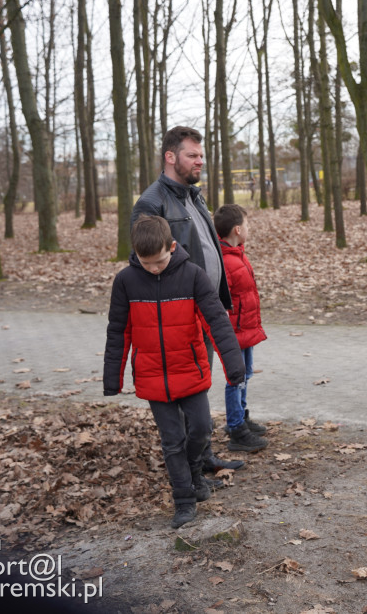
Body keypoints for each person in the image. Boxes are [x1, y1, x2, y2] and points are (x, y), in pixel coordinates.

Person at [104, 216, 247, 528]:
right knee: (172, 441)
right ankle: (183, 499)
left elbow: (217, 323)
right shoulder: (126, 282)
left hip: (191, 373)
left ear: (171, 247)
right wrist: (112, 378)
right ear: (135, 255)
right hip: (153, 379)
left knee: (200, 429)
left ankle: (195, 474)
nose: (153, 268)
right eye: (146, 263)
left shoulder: (193, 276)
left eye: (159, 261)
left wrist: (234, 367)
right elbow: (118, 331)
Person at [132, 126, 243, 475]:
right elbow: (144, 266)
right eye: (192, 155)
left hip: (204, 310)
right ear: (170, 157)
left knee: (199, 386)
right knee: (181, 395)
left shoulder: (193, 196)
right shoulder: (151, 204)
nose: (200, 161)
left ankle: (203, 456)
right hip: (178, 316)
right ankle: (187, 472)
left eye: (201, 155)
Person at [213, 203, 269, 453]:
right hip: (234, 334)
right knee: (235, 380)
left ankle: (241, 417)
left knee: (245, 376)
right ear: (237, 229)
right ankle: (235, 428)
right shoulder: (225, 262)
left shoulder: (237, 255)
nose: (249, 229)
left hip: (245, 331)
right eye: (247, 225)